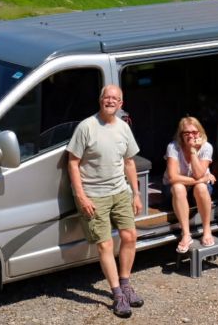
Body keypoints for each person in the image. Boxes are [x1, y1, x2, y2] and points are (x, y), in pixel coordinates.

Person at [67, 84, 143, 319]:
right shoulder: (86, 127)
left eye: (115, 98)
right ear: (100, 100)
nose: (110, 101)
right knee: (105, 244)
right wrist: (81, 195)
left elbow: (130, 162)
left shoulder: (123, 128)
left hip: (120, 191)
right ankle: (117, 294)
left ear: (121, 103)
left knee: (130, 236)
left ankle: (126, 283)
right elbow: (73, 162)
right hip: (93, 195)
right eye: (107, 97)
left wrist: (136, 193)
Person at [164, 116, 216, 253]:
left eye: (194, 132)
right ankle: (186, 234)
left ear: (200, 133)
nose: (191, 136)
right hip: (175, 190)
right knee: (178, 187)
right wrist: (201, 179)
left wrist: (193, 151)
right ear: (180, 135)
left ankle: (206, 230)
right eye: (186, 133)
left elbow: (198, 173)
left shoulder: (206, 147)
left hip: (197, 188)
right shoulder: (173, 147)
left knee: (201, 187)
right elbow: (173, 177)